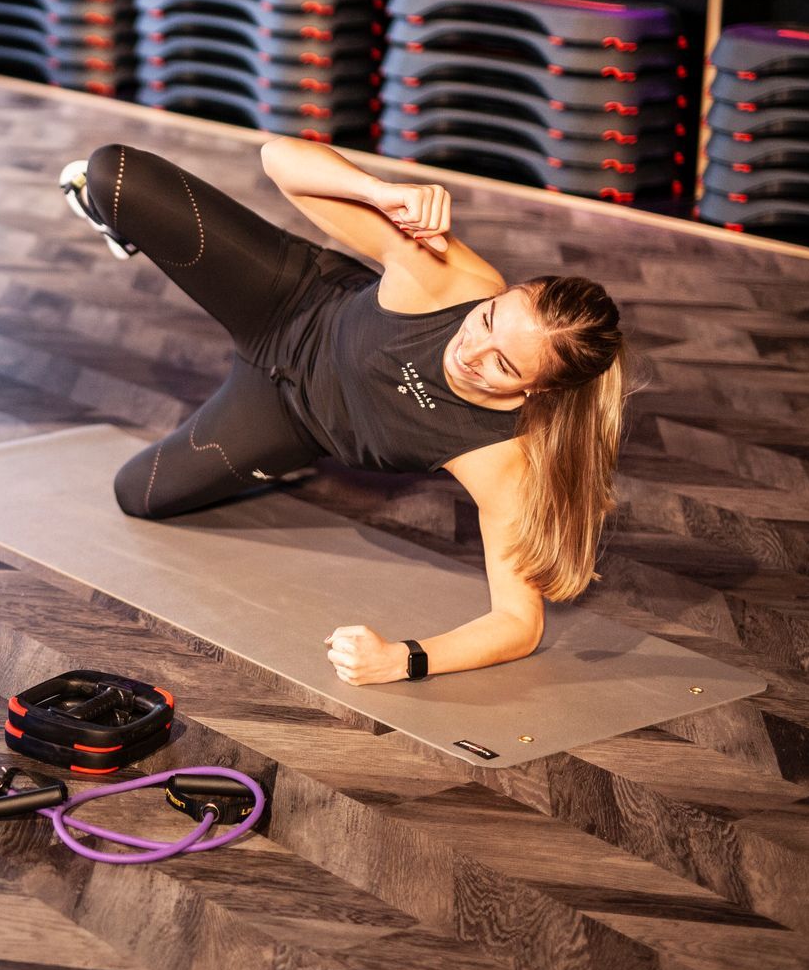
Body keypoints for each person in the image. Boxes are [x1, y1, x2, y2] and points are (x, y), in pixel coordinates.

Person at [59, 138, 629, 687]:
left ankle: (283, 461)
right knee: (113, 174)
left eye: (503, 365)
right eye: (487, 320)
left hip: (285, 417)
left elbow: (519, 625)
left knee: (138, 494)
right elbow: (278, 159)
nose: (468, 352)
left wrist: (404, 660)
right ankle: (121, 224)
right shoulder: (454, 282)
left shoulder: (499, 459)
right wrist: (375, 191)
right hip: (287, 296)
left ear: (538, 393)